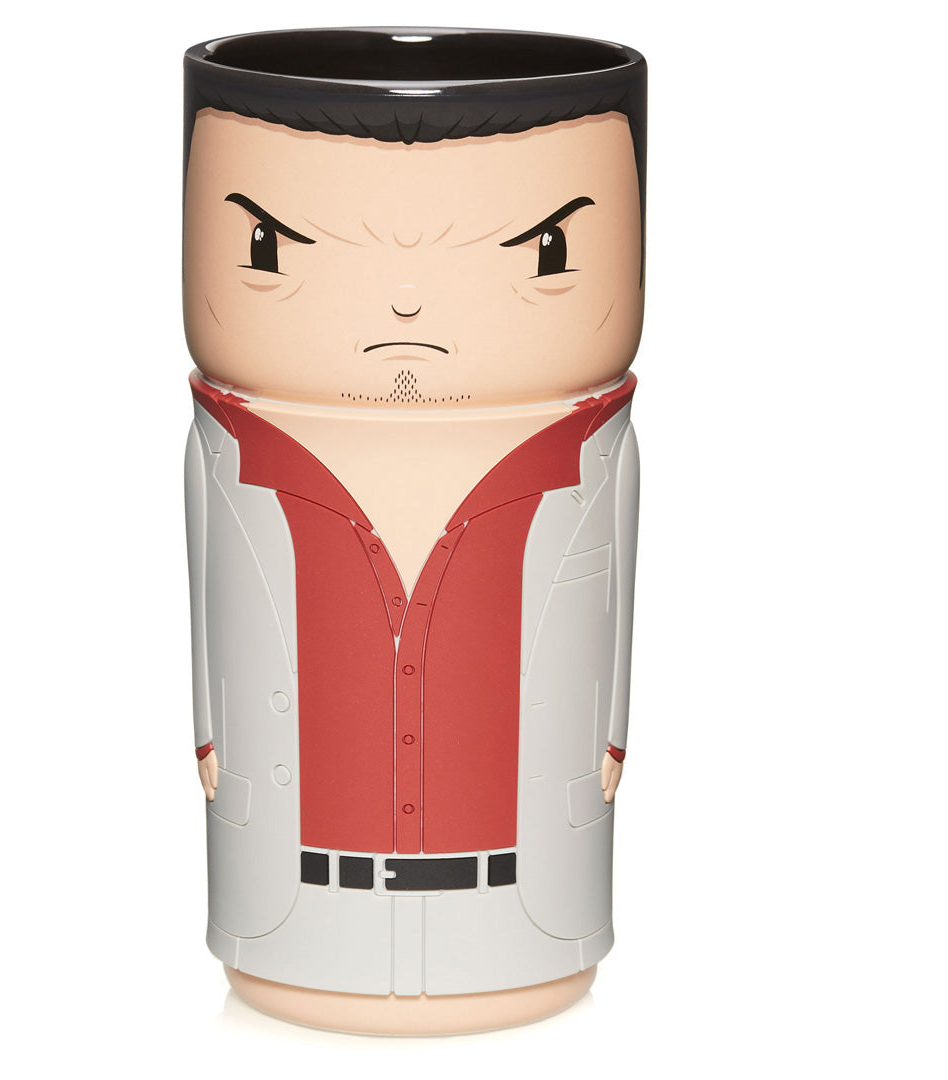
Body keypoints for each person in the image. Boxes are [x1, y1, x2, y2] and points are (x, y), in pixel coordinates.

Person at [182, 28, 646, 1033]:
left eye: (544, 251)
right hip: (293, 876)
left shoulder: (598, 456)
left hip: (527, 872)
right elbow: (207, 611)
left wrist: (611, 744)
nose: (405, 304)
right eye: (271, 249)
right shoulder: (221, 453)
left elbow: (613, 628)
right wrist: (210, 740)